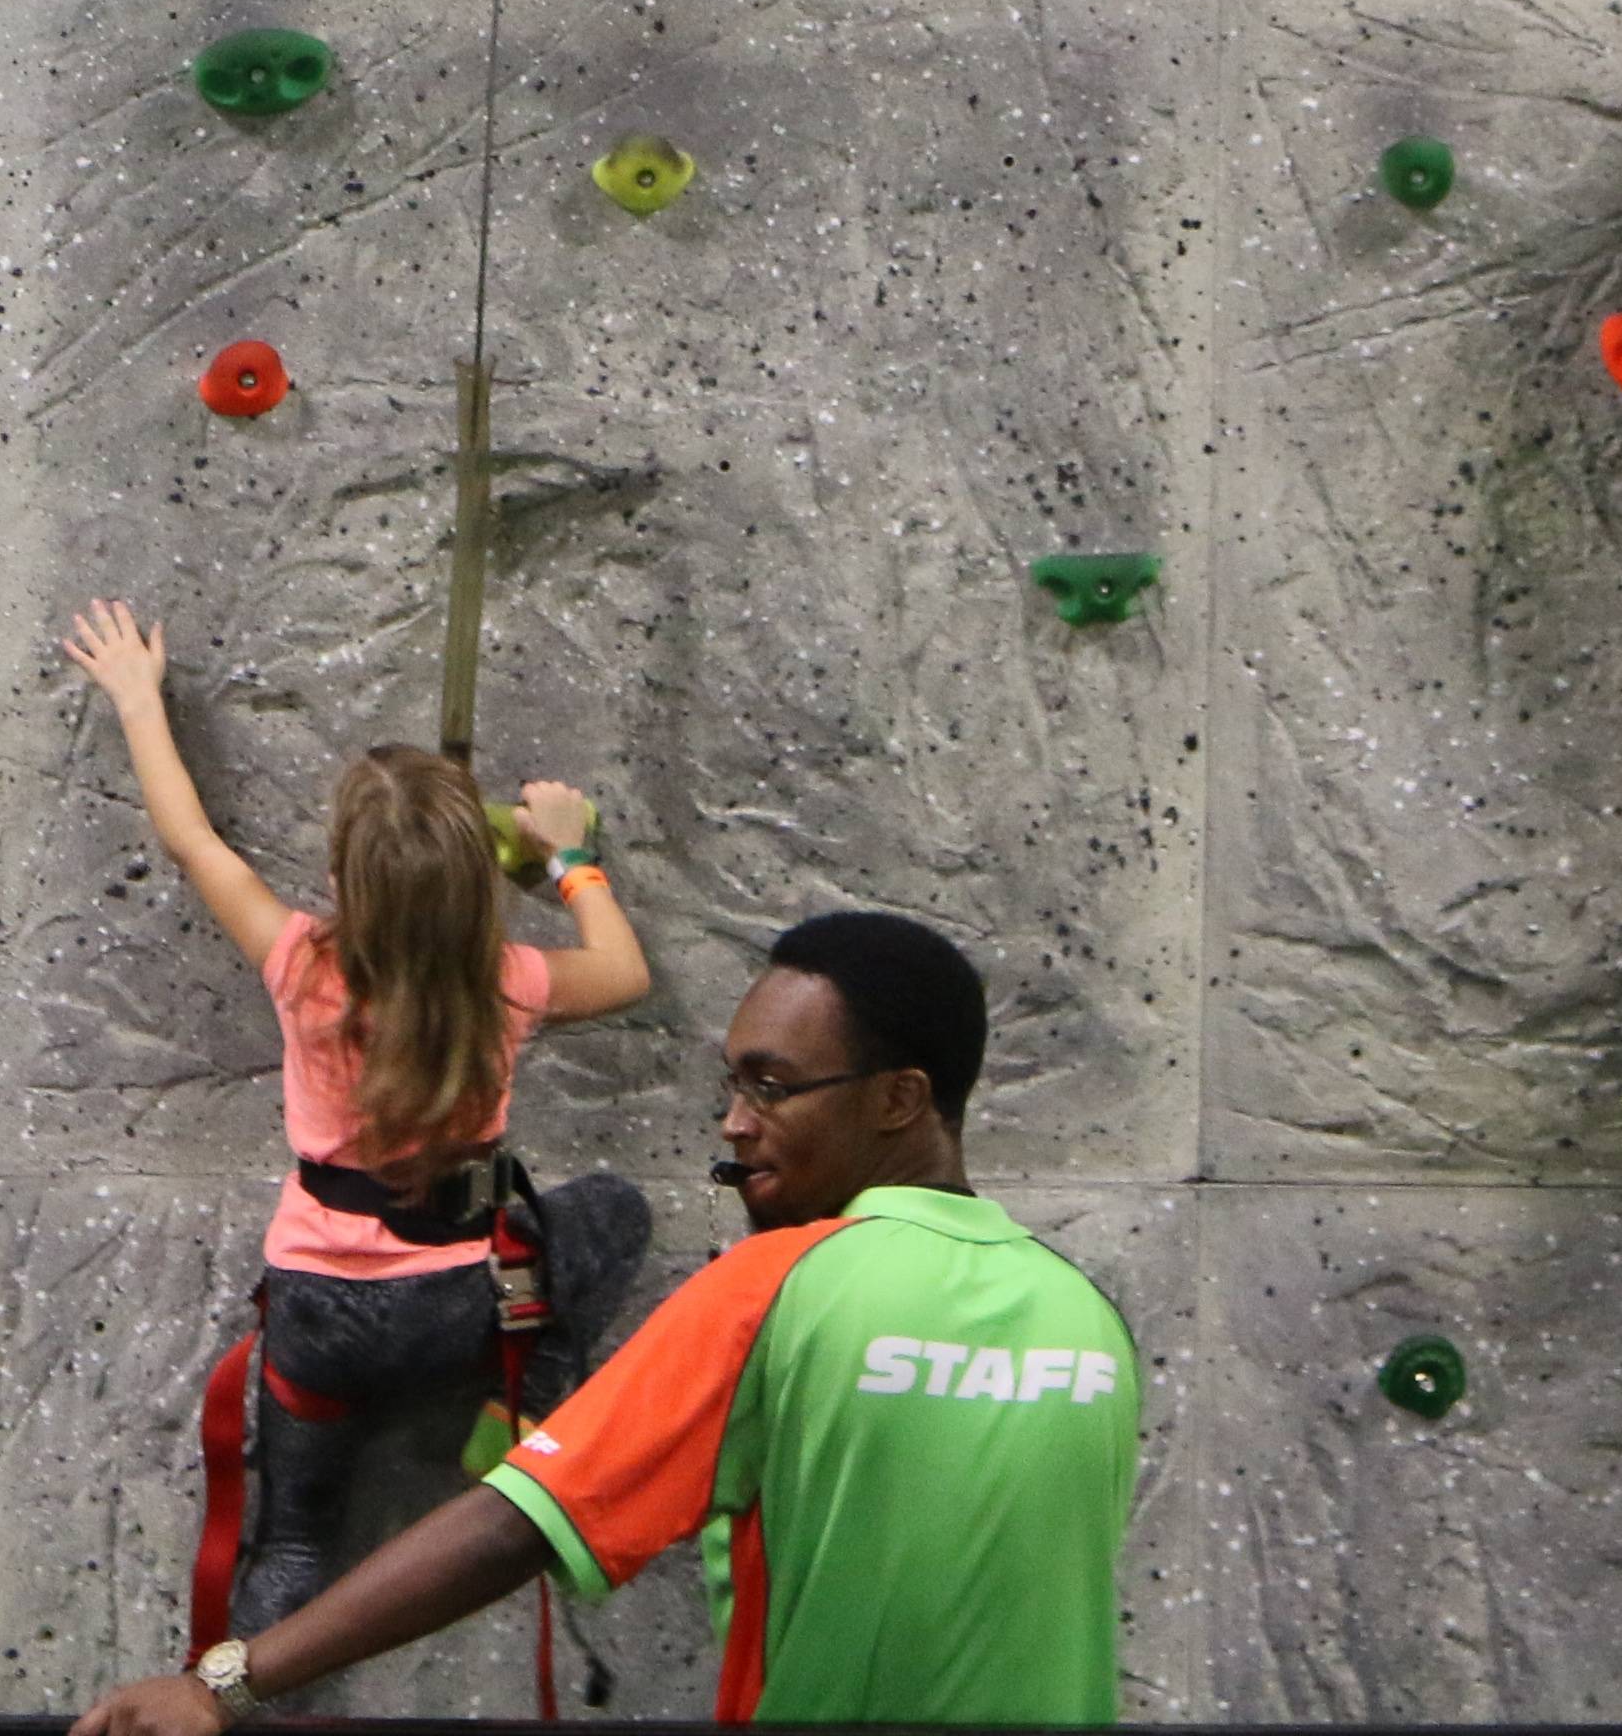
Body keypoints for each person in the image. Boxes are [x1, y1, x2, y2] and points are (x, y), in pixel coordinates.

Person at [75, 912, 1137, 1733]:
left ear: (901, 1099)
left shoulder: (783, 1285)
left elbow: (516, 1522)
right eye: (735, 1083)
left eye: (773, 1087)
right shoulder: (1086, 1318)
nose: (734, 1120)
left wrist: (227, 1682)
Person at [56, 601, 656, 1643]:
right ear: (481, 893)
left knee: (292, 1544)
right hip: (466, 1311)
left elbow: (192, 837)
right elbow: (627, 968)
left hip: (319, 1319)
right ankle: (528, 1402)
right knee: (615, 1210)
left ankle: (234, 1702)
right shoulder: (508, 982)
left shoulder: (301, 966)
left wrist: (137, 698)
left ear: (341, 883)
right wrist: (571, 858)